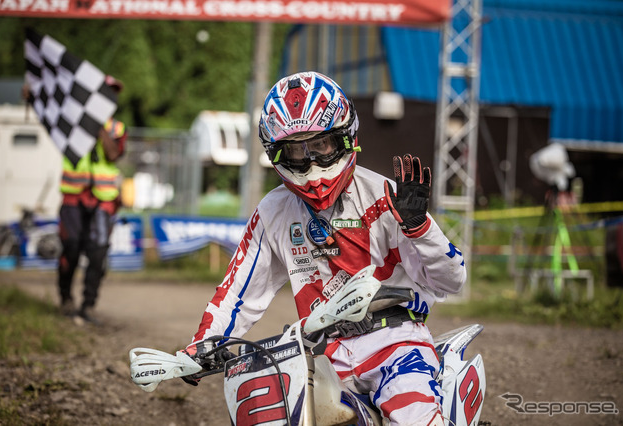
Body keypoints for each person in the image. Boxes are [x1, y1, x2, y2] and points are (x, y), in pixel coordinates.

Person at [181, 71, 466, 425]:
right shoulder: (274, 211)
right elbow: (237, 292)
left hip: (396, 345)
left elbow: (452, 282)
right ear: (276, 155)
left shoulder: (387, 198)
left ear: (347, 139)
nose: (311, 163)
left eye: (320, 146)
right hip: (318, 354)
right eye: (296, 152)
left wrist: (419, 228)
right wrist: (203, 345)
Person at [56, 75, 127, 324]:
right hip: (74, 197)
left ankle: (88, 305)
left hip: (103, 200)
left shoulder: (117, 128)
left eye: (114, 93)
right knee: (71, 247)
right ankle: (65, 298)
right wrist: (32, 96)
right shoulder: (72, 122)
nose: (111, 97)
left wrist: (98, 128)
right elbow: (50, 110)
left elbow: (113, 154)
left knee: (97, 254)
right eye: (106, 92)